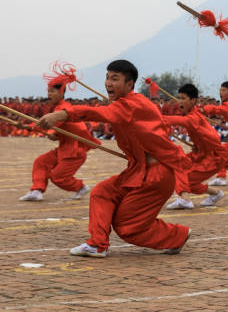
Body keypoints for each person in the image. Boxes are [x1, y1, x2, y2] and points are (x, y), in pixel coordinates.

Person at [38, 60, 191, 257]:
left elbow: (98, 113)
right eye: (108, 78)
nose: (109, 83)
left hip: (156, 176)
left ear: (130, 84)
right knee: (103, 192)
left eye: (115, 79)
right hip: (138, 170)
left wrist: (63, 114)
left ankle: (177, 235)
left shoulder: (130, 105)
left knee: (127, 227)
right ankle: (97, 244)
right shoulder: (125, 104)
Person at [20, 67, 97, 202]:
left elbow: (56, 123)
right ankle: (37, 190)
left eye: (52, 91)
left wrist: (48, 131)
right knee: (41, 162)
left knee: (57, 177)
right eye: (48, 91)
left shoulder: (64, 108)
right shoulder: (57, 107)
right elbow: (48, 124)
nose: (49, 94)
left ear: (61, 92)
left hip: (74, 151)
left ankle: (81, 187)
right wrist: (28, 127)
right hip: (64, 148)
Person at [163, 83, 227, 209]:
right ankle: (216, 193)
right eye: (178, 98)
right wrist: (199, 145)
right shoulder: (193, 112)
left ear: (193, 101)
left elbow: (178, 121)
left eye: (183, 98)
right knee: (183, 178)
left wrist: (152, 118)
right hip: (201, 154)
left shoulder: (193, 117)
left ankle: (185, 200)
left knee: (180, 172)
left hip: (213, 158)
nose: (179, 101)